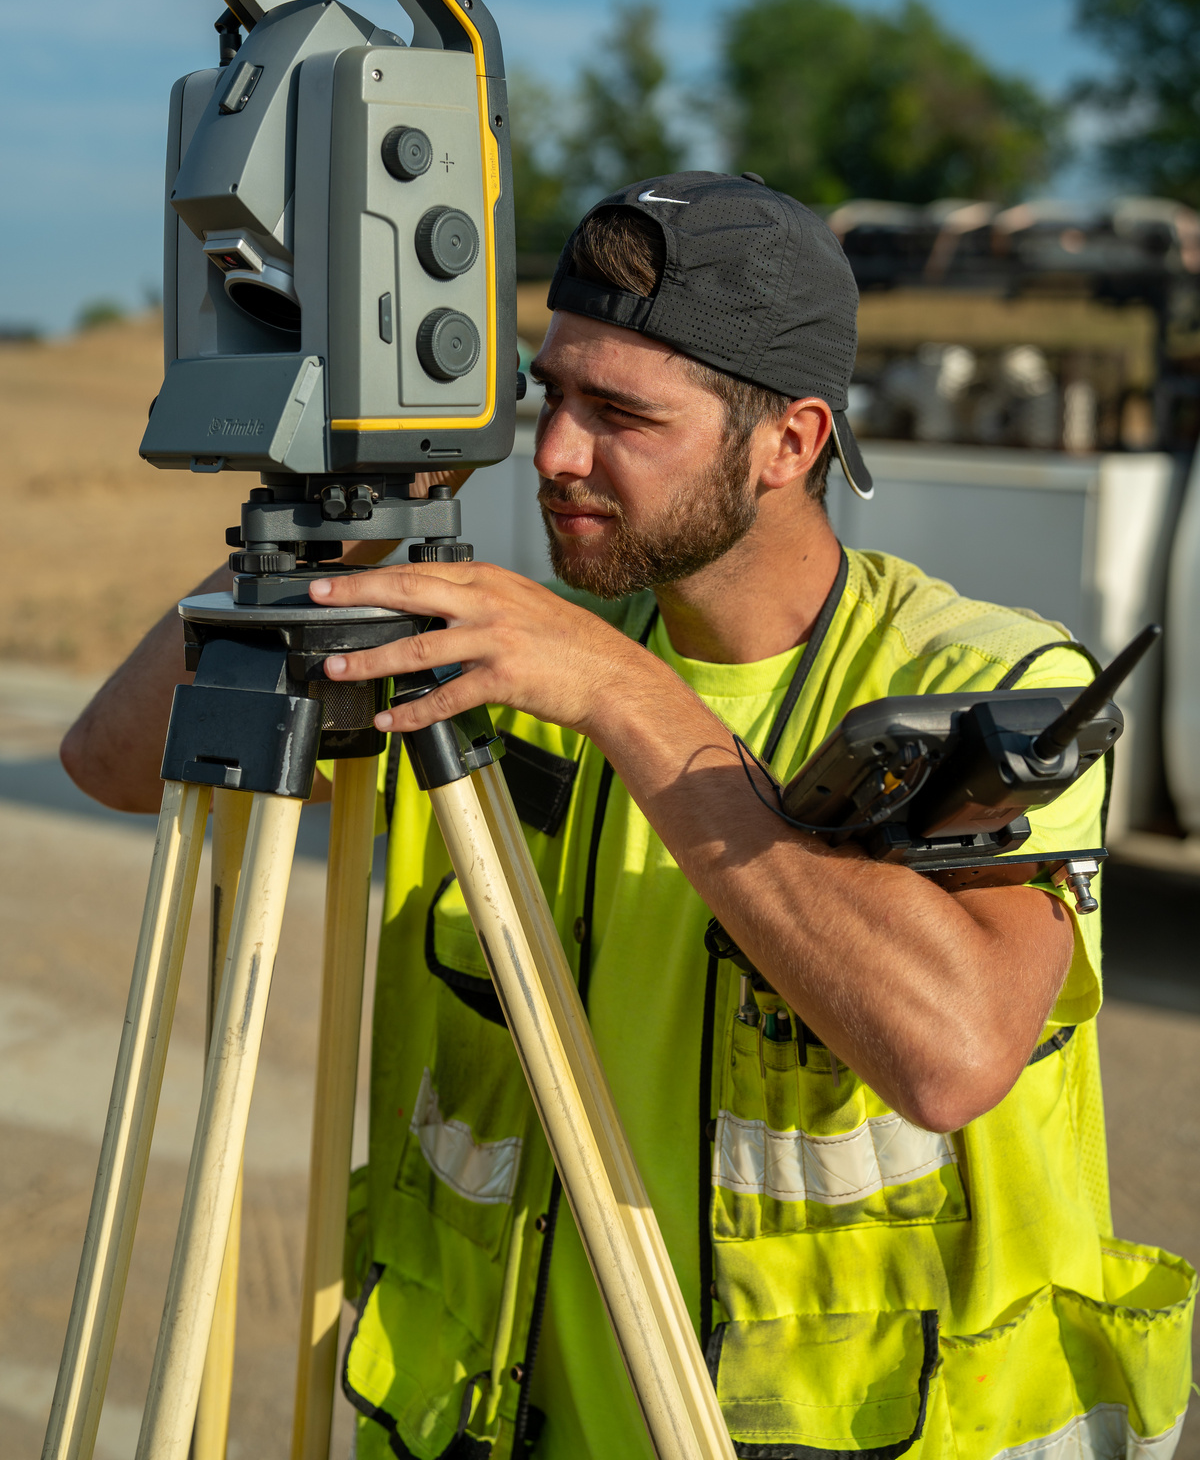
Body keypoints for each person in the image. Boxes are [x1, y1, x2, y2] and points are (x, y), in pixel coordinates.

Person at [63, 174, 1193, 1460]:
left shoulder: (990, 686)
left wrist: (626, 697)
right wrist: (330, 525)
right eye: (552, 394)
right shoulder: (505, 654)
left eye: (620, 414)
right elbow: (111, 758)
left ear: (791, 442)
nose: (552, 453)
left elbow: (952, 1054)